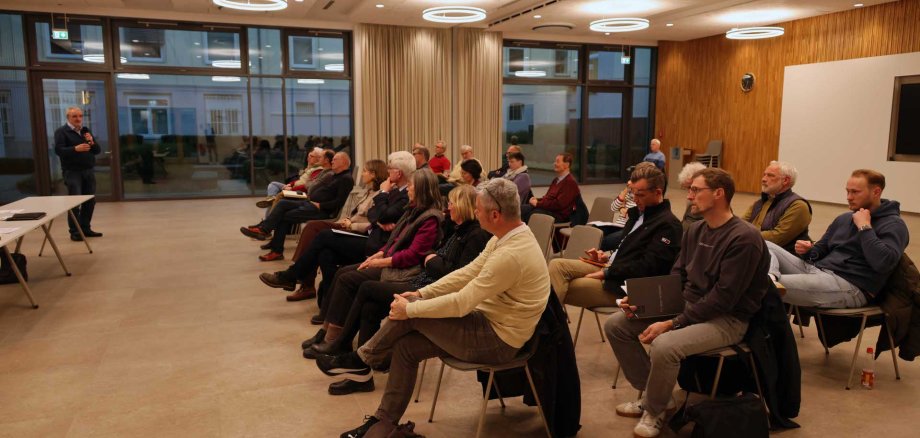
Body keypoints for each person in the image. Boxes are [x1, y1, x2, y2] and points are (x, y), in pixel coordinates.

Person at [317, 178, 551, 437]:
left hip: (498, 341)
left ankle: (361, 360)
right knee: (406, 348)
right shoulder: (506, 236)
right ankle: (383, 424)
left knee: (412, 315)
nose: (475, 213)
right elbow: (466, 273)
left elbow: (462, 302)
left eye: (479, 210)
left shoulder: (511, 254)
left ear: (495, 214)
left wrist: (412, 308)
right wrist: (421, 292)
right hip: (487, 322)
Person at [605, 167, 770, 438]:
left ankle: (655, 410)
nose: (689, 196)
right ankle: (654, 396)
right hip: (689, 306)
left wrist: (672, 323)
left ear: (718, 194)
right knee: (617, 325)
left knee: (664, 345)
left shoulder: (744, 238)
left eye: (695, 190)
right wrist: (644, 302)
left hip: (727, 319)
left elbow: (723, 298)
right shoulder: (695, 230)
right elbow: (677, 275)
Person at [304, 185, 492, 396]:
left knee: (365, 287)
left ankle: (345, 348)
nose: (447, 207)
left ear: (462, 206)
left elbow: (454, 273)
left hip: (428, 287)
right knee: (369, 305)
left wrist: (432, 260)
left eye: (451, 203)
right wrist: (432, 259)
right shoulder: (455, 228)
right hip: (425, 280)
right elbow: (432, 255)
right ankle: (361, 372)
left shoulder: (473, 235)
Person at [304, 168, 445, 358]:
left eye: (411, 186)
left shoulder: (430, 218)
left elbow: (413, 255)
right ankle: (327, 332)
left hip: (404, 270)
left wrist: (381, 262)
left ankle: (334, 340)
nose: (408, 189)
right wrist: (377, 256)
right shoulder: (413, 210)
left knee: (348, 279)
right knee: (342, 273)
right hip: (392, 262)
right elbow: (394, 241)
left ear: (421, 189)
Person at [259, 151, 414, 305]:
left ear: (398, 173)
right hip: (367, 233)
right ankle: (327, 304)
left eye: (390, 168)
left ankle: (292, 275)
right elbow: (375, 213)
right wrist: (379, 217)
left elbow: (381, 215)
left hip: (375, 243)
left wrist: (382, 199)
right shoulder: (391, 191)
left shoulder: (399, 193)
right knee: (325, 252)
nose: (387, 171)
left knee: (322, 235)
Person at [768, 169, 909, 309]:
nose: (849, 197)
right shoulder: (844, 219)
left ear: (876, 192)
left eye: (855, 192)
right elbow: (819, 251)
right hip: (817, 271)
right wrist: (807, 250)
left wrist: (865, 227)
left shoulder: (894, 225)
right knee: (764, 244)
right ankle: (772, 276)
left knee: (757, 282)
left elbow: (883, 263)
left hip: (850, 285)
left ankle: (769, 283)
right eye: (847, 191)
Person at [548, 165, 681, 306]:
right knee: (556, 265)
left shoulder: (668, 225)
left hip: (624, 285)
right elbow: (627, 247)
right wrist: (608, 256)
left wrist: (608, 273)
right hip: (612, 268)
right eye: (633, 193)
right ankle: (547, 326)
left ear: (658, 193)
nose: (635, 199)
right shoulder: (637, 214)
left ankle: (546, 327)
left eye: (640, 195)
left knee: (559, 286)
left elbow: (648, 268)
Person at [275, 159, 389, 301]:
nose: (361, 175)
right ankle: (301, 280)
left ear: (373, 174)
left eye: (365, 171)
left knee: (317, 231)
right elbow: (357, 214)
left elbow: (374, 223)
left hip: (357, 232)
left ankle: (296, 277)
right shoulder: (369, 191)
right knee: (313, 228)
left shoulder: (380, 195)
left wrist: (350, 224)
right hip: (347, 225)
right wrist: (347, 220)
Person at [241, 152, 354, 261]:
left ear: (343, 162)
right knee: (282, 203)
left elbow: (339, 202)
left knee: (284, 216)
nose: (332, 161)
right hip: (311, 202)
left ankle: (274, 246)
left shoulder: (346, 179)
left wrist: (321, 205)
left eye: (335, 159)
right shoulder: (336, 175)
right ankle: (265, 230)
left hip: (322, 210)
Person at [741, 161, 812, 254]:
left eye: (770, 175)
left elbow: (777, 238)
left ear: (785, 180)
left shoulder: (798, 206)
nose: (763, 179)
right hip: (757, 249)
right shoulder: (762, 201)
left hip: (785, 258)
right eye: (764, 175)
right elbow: (741, 224)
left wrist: (742, 236)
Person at [54, 106, 102, 241]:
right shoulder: (62, 132)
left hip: (88, 170)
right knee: (75, 202)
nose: (78, 119)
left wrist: (91, 142)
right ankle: (75, 231)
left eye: (80, 116)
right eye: (75, 116)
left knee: (90, 201)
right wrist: (75, 148)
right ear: (68, 117)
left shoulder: (85, 131)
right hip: (72, 172)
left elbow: (97, 150)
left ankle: (85, 229)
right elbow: (59, 150)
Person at [256, 147, 324, 208]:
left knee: (277, 202)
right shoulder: (310, 167)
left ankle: (269, 215)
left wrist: (292, 188)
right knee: (273, 184)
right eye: (309, 155)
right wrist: (290, 184)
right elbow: (299, 180)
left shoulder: (318, 170)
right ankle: (271, 198)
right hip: (295, 187)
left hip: (300, 192)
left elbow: (307, 185)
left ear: (318, 158)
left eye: (311, 156)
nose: (308, 157)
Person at [521, 152, 580, 223]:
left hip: (558, 215)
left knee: (531, 214)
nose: (555, 164)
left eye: (557, 161)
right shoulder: (556, 180)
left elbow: (558, 205)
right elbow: (548, 198)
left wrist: (538, 203)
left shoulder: (570, 182)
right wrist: (537, 200)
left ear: (566, 165)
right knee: (522, 208)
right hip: (549, 210)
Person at [677, 162, 707, 232]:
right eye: (687, 189)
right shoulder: (692, 200)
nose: (689, 196)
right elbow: (686, 219)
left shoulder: (706, 204)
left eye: (693, 188)